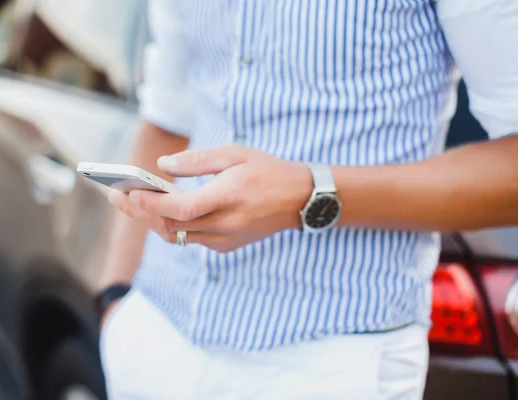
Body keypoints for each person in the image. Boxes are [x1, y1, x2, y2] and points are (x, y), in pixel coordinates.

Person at [97, 0, 518, 398]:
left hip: (331, 362)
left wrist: (307, 193)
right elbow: (167, 118)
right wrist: (113, 296)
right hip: (154, 337)